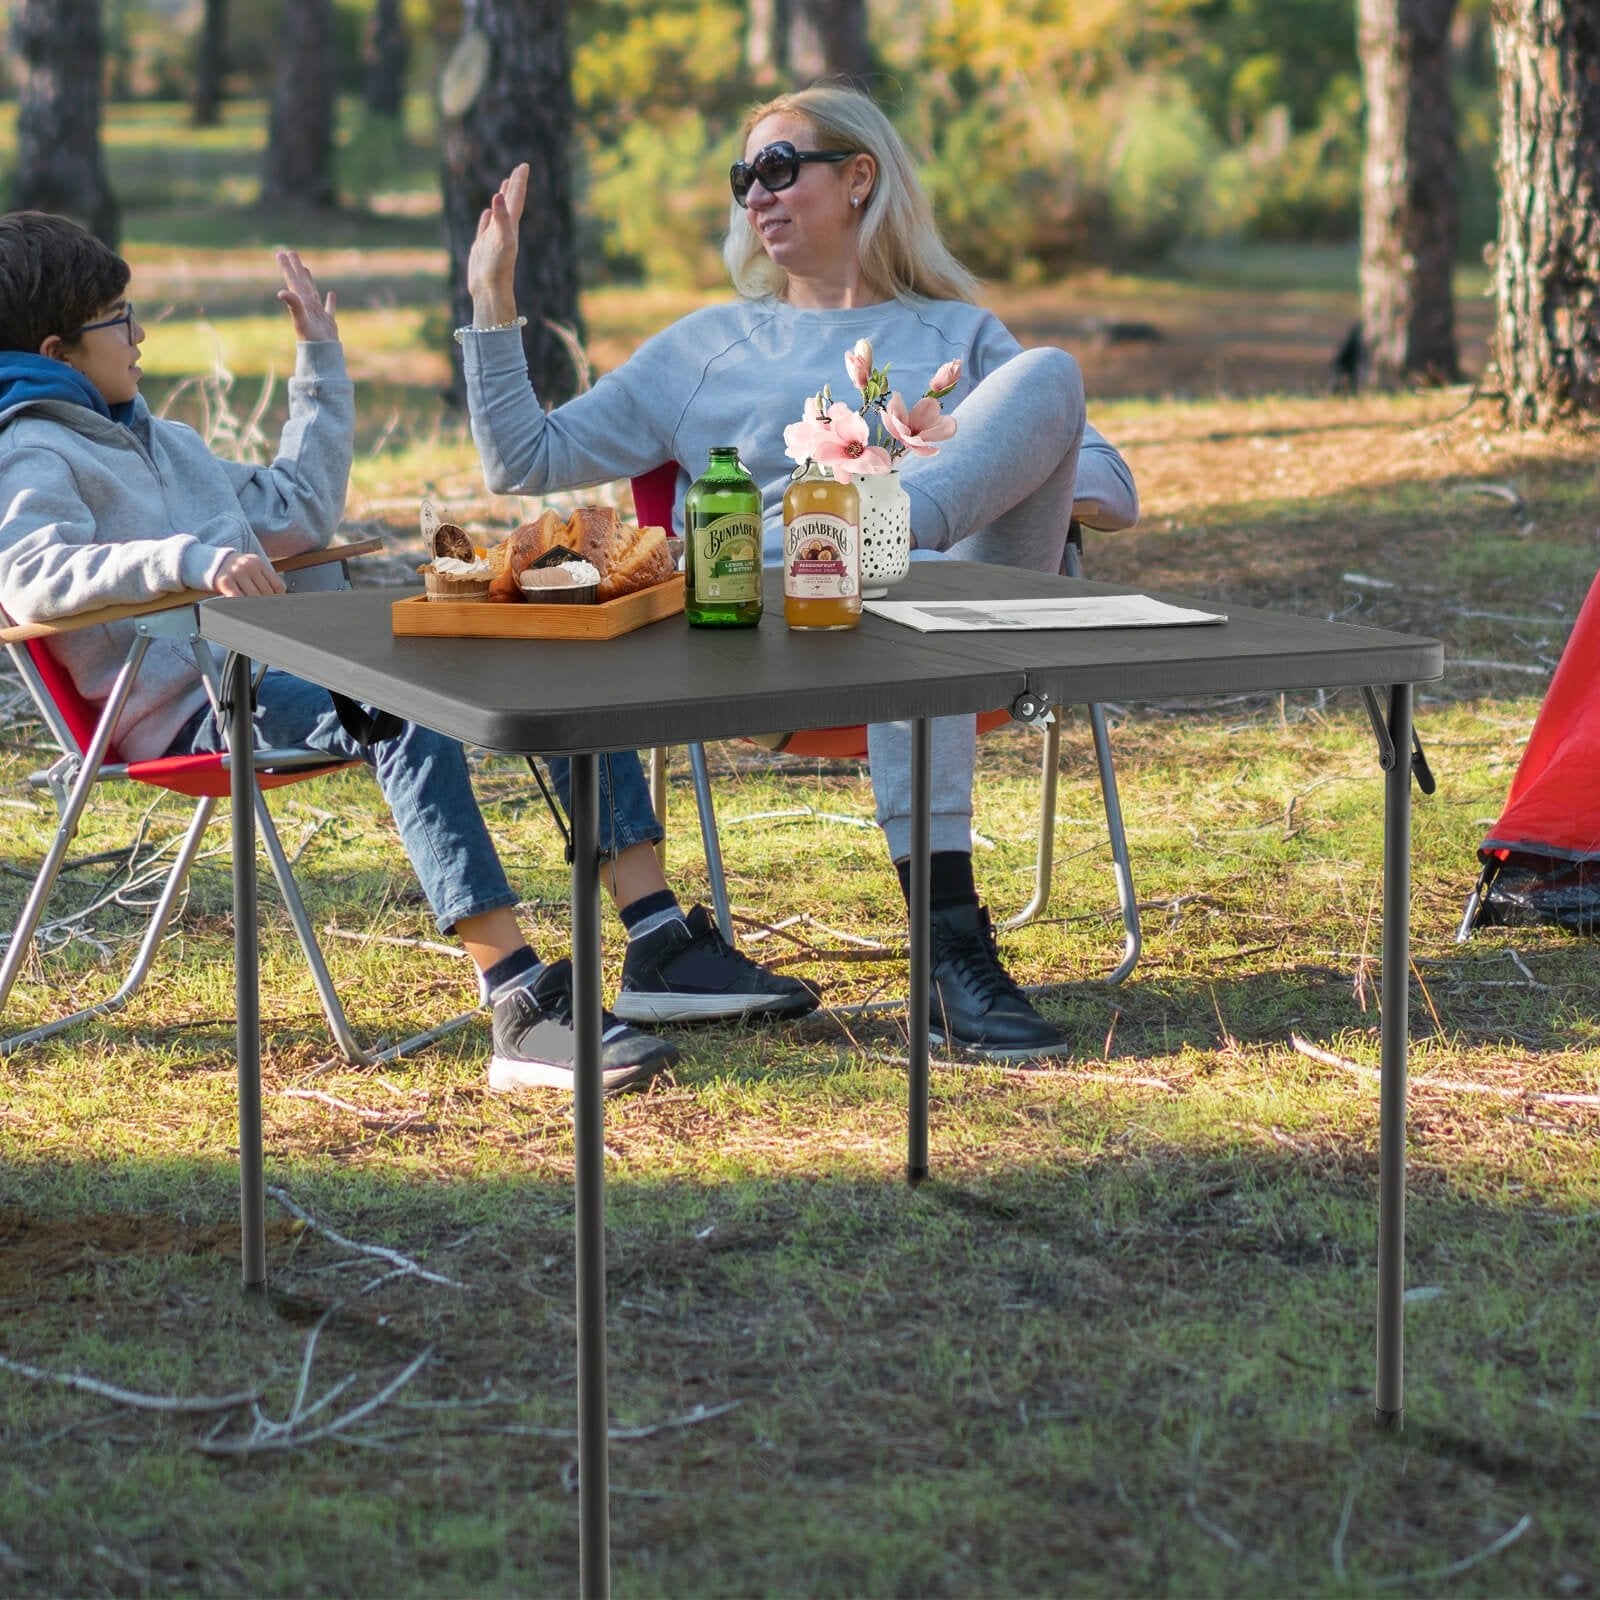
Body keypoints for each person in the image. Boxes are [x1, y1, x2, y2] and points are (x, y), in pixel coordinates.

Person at [0, 211, 816, 1098]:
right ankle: (515, 1004)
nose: (140, 331)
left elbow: (299, 510)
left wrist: (318, 358)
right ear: (57, 349)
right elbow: (30, 574)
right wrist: (187, 560)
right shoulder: (31, 448)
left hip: (272, 668)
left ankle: (656, 939)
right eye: (119, 318)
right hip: (196, 706)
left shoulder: (164, 441)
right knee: (396, 701)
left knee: (562, 636)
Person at [459, 85, 1139, 1061]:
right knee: (917, 587)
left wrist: (952, 477)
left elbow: (1108, 475)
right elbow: (520, 459)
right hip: (780, 627)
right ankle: (948, 947)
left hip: (962, 601)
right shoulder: (704, 347)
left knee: (1049, 378)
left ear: (858, 176)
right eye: (744, 180)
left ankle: (894, 535)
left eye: (780, 168)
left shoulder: (960, 334)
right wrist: (493, 300)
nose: (757, 196)